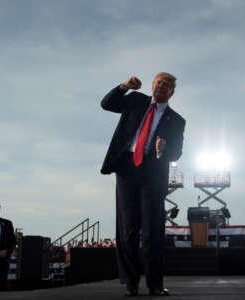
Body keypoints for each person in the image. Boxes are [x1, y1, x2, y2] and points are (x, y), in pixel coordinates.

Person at [101, 72, 185, 296]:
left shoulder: (177, 120)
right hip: (127, 169)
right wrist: (123, 86)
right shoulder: (136, 100)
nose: (161, 86)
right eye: (158, 82)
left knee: (152, 232)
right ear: (152, 85)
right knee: (128, 230)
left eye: (166, 85)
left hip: (153, 174)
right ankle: (131, 283)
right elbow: (107, 104)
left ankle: (155, 284)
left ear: (172, 92)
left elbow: (177, 152)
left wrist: (165, 150)